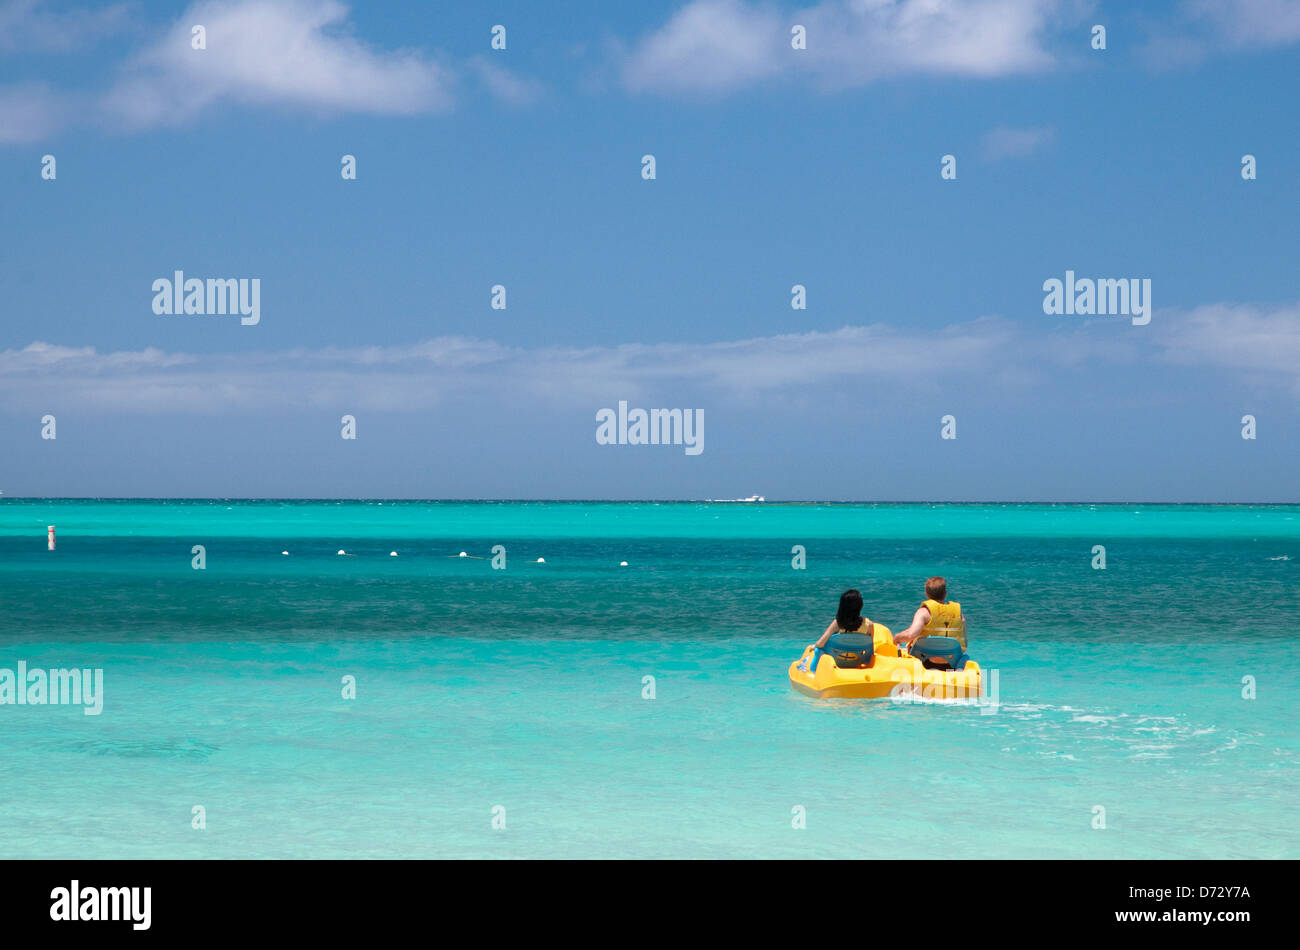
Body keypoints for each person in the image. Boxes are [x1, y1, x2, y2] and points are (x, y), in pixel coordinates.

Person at [799, 589, 894, 671]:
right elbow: (870, 647)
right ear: (860, 606)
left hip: (836, 660)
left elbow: (821, 643)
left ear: (842, 606)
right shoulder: (868, 624)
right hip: (857, 660)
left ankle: (813, 671)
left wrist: (814, 646)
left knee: (818, 649)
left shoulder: (838, 623)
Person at [893, 576, 966, 650]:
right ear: (945, 594)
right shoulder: (959, 615)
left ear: (926, 594)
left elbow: (911, 635)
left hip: (927, 658)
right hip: (952, 657)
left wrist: (897, 637)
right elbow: (965, 642)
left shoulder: (924, 612)